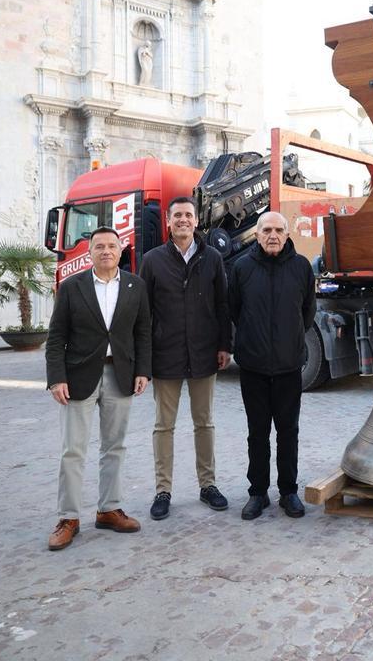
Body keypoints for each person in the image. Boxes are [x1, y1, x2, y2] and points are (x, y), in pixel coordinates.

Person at [44, 227, 151, 551]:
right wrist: (56, 378)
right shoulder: (72, 287)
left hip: (120, 375)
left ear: (121, 251)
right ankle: (68, 518)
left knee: (114, 446)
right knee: (73, 450)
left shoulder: (135, 285)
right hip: (78, 377)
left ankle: (109, 509)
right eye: (99, 246)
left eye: (111, 246)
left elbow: (143, 332)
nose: (106, 251)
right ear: (89, 253)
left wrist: (143, 371)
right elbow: (56, 337)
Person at [139, 197, 232, 520]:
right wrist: (144, 359)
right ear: (168, 221)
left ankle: (208, 485)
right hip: (166, 354)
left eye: (188, 215)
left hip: (204, 353)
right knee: (163, 426)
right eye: (177, 215)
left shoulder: (212, 258)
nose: (183, 220)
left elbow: (222, 305)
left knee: (204, 422)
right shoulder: (152, 260)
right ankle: (162, 490)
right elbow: (143, 313)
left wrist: (224, 345)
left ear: (196, 221)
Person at [227, 211, 316, 520]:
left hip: (289, 367)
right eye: (266, 230)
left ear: (287, 234)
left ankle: (288, 491)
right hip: (253, 367)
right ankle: (258, 492)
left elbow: (307, 312)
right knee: (257, 432)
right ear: (257, 234)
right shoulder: (242, 268)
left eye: (279, 230)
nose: (273, 235)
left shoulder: (301, 267)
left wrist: (289, 341)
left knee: (288, 431)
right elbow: (235, 310)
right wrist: (254, 340)